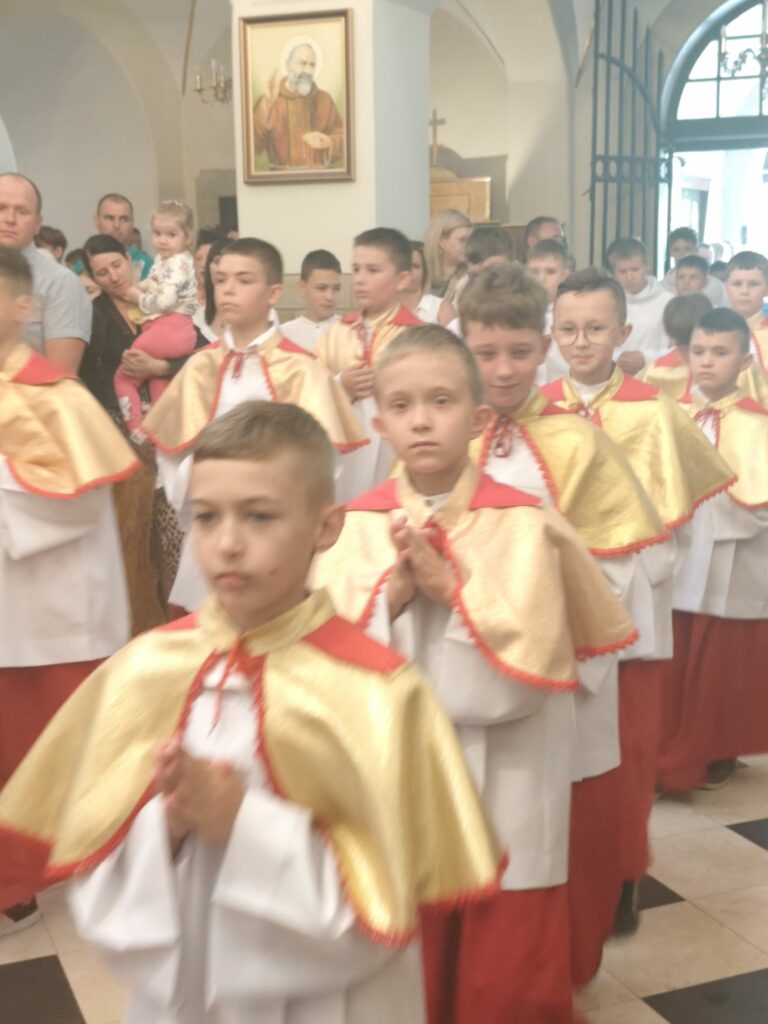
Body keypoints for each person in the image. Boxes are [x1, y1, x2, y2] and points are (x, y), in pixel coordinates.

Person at [0, 400, 503, 1021]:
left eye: (259, 516)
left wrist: (242, 822)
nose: (228, 544)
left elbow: (379, 908)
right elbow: (104, 873)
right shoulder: (146, 670)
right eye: (206, 517)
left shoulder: (379, 693)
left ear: (326, 527)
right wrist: (166, 828)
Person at [314, 325, 637, 1023]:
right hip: (401, 769)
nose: (421, 420)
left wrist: (450, 593)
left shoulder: (525, 524)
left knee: (504, 957)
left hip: (512, 770)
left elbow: (525, 680)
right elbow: (322, 671)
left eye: (441, 401)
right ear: (380, 423)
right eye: (402, 406)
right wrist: (390, 602)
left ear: (479, 417)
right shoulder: (355, 527)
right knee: (407, 944)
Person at [460, 263, 670, 983]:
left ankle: (557, 967)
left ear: (543, 346)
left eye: (520, 352)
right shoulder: (447, 436)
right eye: (485, 353)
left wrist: (532, 623)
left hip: (558, 674)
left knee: (555, 826)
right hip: (464, 669)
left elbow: (612, 570)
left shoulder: (579, 444)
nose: (503, 369)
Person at [541, 270, 734, 934]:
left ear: (623, 332)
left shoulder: (653, 410)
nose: (580, 341)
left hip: (631, 609)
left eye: (595, 328)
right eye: (568, 329)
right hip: (550, 607)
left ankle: (622, 874)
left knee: (626, 751)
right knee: (557, 752)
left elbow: (675, 521)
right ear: (552, 332)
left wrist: (623, 570)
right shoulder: (536, 410)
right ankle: (563, 874)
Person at [0, 245, 136, 935]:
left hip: (52, 616)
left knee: (57, 757)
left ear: (24, 306)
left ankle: (63, 879)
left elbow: (77, 503)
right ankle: (13, 880)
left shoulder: (57, 396)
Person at [143, 237, 366, 614]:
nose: (228, 290)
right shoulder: (200, 366)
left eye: (244, 280)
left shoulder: (301, 370)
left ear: (273, 292)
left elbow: (325, 461)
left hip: (274, 529)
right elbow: (170, 453)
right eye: (221, 280)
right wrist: (201, 486)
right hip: (213, 524)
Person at [659, 309, 768, 790]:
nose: (706, 362)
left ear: (744, 361)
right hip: (679, 548)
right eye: (699, 351)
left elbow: (758, 503)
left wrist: (713, 505)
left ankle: (719, 747)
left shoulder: (758, 424)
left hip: (732, 558)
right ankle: (671, 743)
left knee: (724, 660)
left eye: (720, 353)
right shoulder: (669, 414)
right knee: (676, 652)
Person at [316, 228, 419, 498]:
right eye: (356, 269)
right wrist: (341, 385)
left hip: (396, 451)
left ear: (402, 279)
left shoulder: (418, 338)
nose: (360, 279)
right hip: (345, 457)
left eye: (372, 270)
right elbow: (312, 392)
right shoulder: (335, 335)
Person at [113, 200, 198, 436]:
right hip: (172, 330)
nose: (162, 240)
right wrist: (139, 288)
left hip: (169, 328)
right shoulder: (164, 259)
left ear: (188, 237)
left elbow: (165, 301)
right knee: (156, 380)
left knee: (123, 378)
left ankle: (136, 429)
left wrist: (137, 297)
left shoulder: (178, 264)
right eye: (158, 233)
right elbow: (152, 282)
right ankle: (160, 432)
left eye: (171, 234)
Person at [0, 172, 91, 373]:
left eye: (21, 211)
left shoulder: (60, 282)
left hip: (26, 391)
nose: (10, 219)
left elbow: (60, 377)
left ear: (37, 223)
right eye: (1, 208)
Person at [252, 41, 344, 168]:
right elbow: (253, 145)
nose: (308, 70)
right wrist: (267, 103)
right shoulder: (270, 101)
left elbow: (344, 137)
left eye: (312, 65)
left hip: (319, 176)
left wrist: (329, 142)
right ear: (288, 65)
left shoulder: (324, 100)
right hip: (281, 178)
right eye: (303, 63)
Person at [606, 237, 671, 373]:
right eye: (622, 271)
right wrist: (616, 357)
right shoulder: (607, 301)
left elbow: (678, 348)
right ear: (613, 272)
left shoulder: (667, 300)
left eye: (635, 270)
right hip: (615, 374)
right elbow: (598, 341)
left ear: (647, 266)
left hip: (655, 374)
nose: (629, 277)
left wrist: (646, 358)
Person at [638, 293, 712, 401]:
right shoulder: (655, 374)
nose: (692, 355)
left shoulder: (729, 368)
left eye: (698, 349)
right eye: (685, 349)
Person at [527, 237, 572, 381]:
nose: (541, 279)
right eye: (534, 272)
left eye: (550, 272)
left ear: (565, 275)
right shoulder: (517, 315)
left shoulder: (574, 314)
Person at [281, 248, 343, 351]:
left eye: (336, 289)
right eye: (321, 288)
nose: (330, 297)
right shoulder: (284, 335)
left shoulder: (351, 333)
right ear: (302, 288)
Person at [723, 250, 768, 388]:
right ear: (726, 286)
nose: (744, 291)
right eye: (737, 284)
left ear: (766, 288)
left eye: (753, 284)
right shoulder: (709, 331)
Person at [93, 192, 153, 280]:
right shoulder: (82, 264)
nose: (117, 225)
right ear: (96, 221)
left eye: (124, 219)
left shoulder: (149, 265)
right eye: (110, 218)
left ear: (132, 224)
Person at [662, 227, 727, 306]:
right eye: (677, 249)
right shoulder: (662, 288)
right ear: (671, 252)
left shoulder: (715, 286)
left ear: (696, 250)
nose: (682, 253)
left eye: (687, 248)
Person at [423, 208, 472, 301]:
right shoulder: (418, 274)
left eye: (470, 240)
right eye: (462, 240)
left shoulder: (470, 280)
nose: (468, 245)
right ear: (441, 241)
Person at [402, 241, 454, 325]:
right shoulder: (383, 306)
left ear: (424, 273)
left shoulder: (442, 309)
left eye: (415, 266)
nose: (409, 271)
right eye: (403, 265)